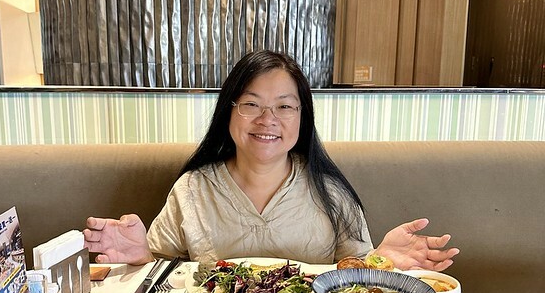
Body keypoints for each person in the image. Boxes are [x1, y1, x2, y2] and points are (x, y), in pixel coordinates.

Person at [84, 51, 459, 271]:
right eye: (251, 104)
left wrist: (381, 260)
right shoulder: (194, 189)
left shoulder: (330, 191)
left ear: (302, 117)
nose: (267, 120)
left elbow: (355, 280)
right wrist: (140, 256)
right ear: (229, 112)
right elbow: (163, 273)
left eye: (284, 106)